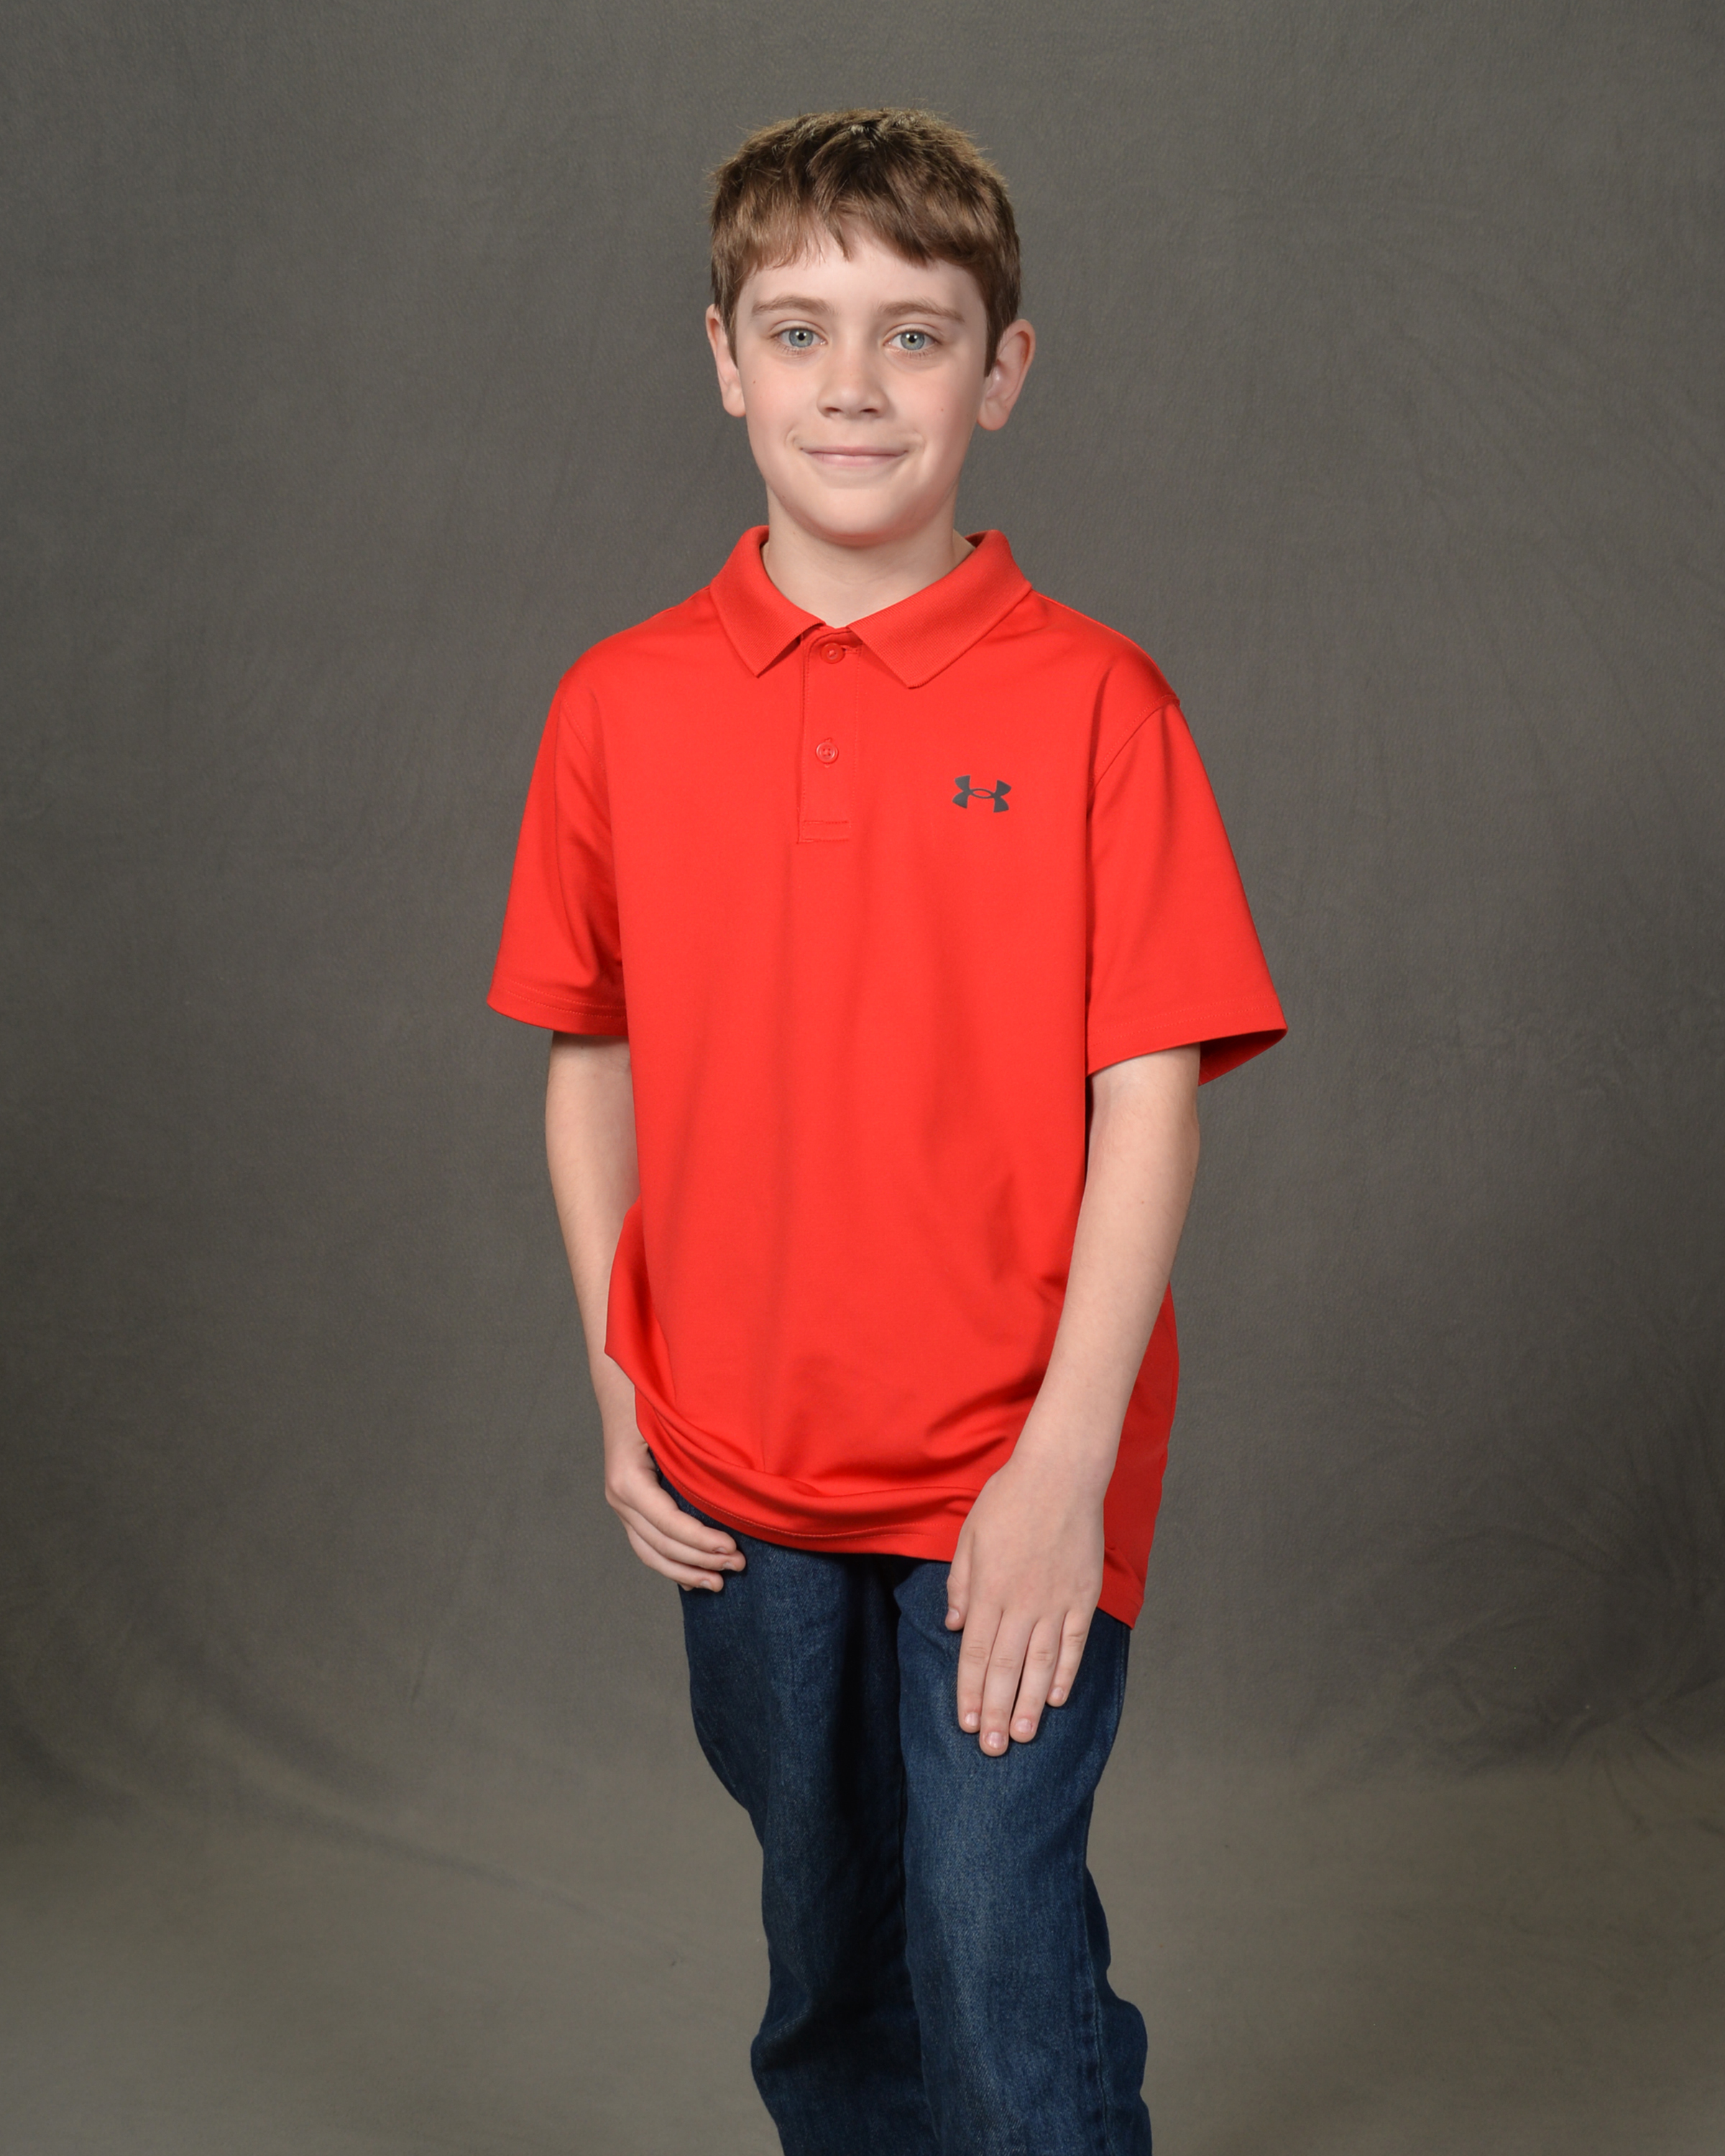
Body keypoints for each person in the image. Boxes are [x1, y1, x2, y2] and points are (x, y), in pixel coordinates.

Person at [488, 107, 1285, 2156]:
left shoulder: (1100, 704)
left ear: (1000, 374)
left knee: (994, 1945)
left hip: (1008, 1463)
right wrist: (617, 1378)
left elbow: (1150, 1097)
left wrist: (1065, 1466)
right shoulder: (616, 706)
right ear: (724, 360)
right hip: (733, 1467)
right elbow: (591, 1054)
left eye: (915, 335)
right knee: (831, 1953)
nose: (853, 385)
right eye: (800, 330)